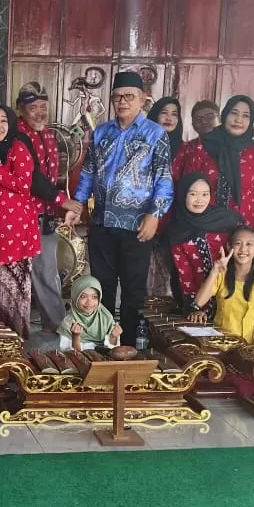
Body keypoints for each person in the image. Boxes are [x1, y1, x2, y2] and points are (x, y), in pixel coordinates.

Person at [68, 70, 173, 346]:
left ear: (142, 100)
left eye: (129, 96)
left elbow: (164, 178)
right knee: (101, 286)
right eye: (117, 97)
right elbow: (89, 173)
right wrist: (78, 203)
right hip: (102, 223)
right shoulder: (101, 132)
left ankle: (127, 348)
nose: (122, 102)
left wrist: (155, 215)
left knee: (133, 290)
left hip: (137, 225)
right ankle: (104, 344)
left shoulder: (155, 134)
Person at [16, 83, 82, 332]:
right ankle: (50, 328)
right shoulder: (18, 136)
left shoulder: (48, 135)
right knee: (25, 276)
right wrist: (60, 200)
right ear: (21, 110)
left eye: (43, 107)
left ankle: (52, 328)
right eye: (33, 107)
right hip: (21, 219)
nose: (40, 112)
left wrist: (63, 206)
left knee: (47, 273)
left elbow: (53, 178)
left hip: (45, 217)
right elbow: (30, 177)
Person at [173, 95, 254, 254]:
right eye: (234, 113)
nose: (238, 119)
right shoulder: (203, 146)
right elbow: (187, 190)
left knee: (238, 278)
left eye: (245, 116)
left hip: (244, 235)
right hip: (204, 230)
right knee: (206, 278)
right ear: (225, 115)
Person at [0, 105, 39, 338]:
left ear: (11, 125)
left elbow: (24, 185)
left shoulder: (18, 148)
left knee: (12, 288)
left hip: (13, 231)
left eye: (4, 120)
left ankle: (14, 339)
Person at [167, 173, 243, 318]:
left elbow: (246, 249)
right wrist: (194, 307)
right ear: (183, 195)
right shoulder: (177, 231)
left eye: (205, 194)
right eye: (193, 194)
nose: (199, 200)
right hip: (201, 299)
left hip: (232, 295)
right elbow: (186, 277)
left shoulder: (227, 220)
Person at [194, 225, 254, 345]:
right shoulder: (221, 274)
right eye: (238, 243)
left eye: (249, 244)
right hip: (219, 342)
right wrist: (214, 271)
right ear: (229, 247)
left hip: (249, 343)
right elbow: (199, 301)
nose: (243, 249)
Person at [58, 276, 123, 353]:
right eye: (83, 296)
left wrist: (113, 337)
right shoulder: (68, 323)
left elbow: (111, 351)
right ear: (75, 297)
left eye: (94, 297)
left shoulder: (106, 318)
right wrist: (76, 336)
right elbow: (71, 355)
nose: (89, 302)